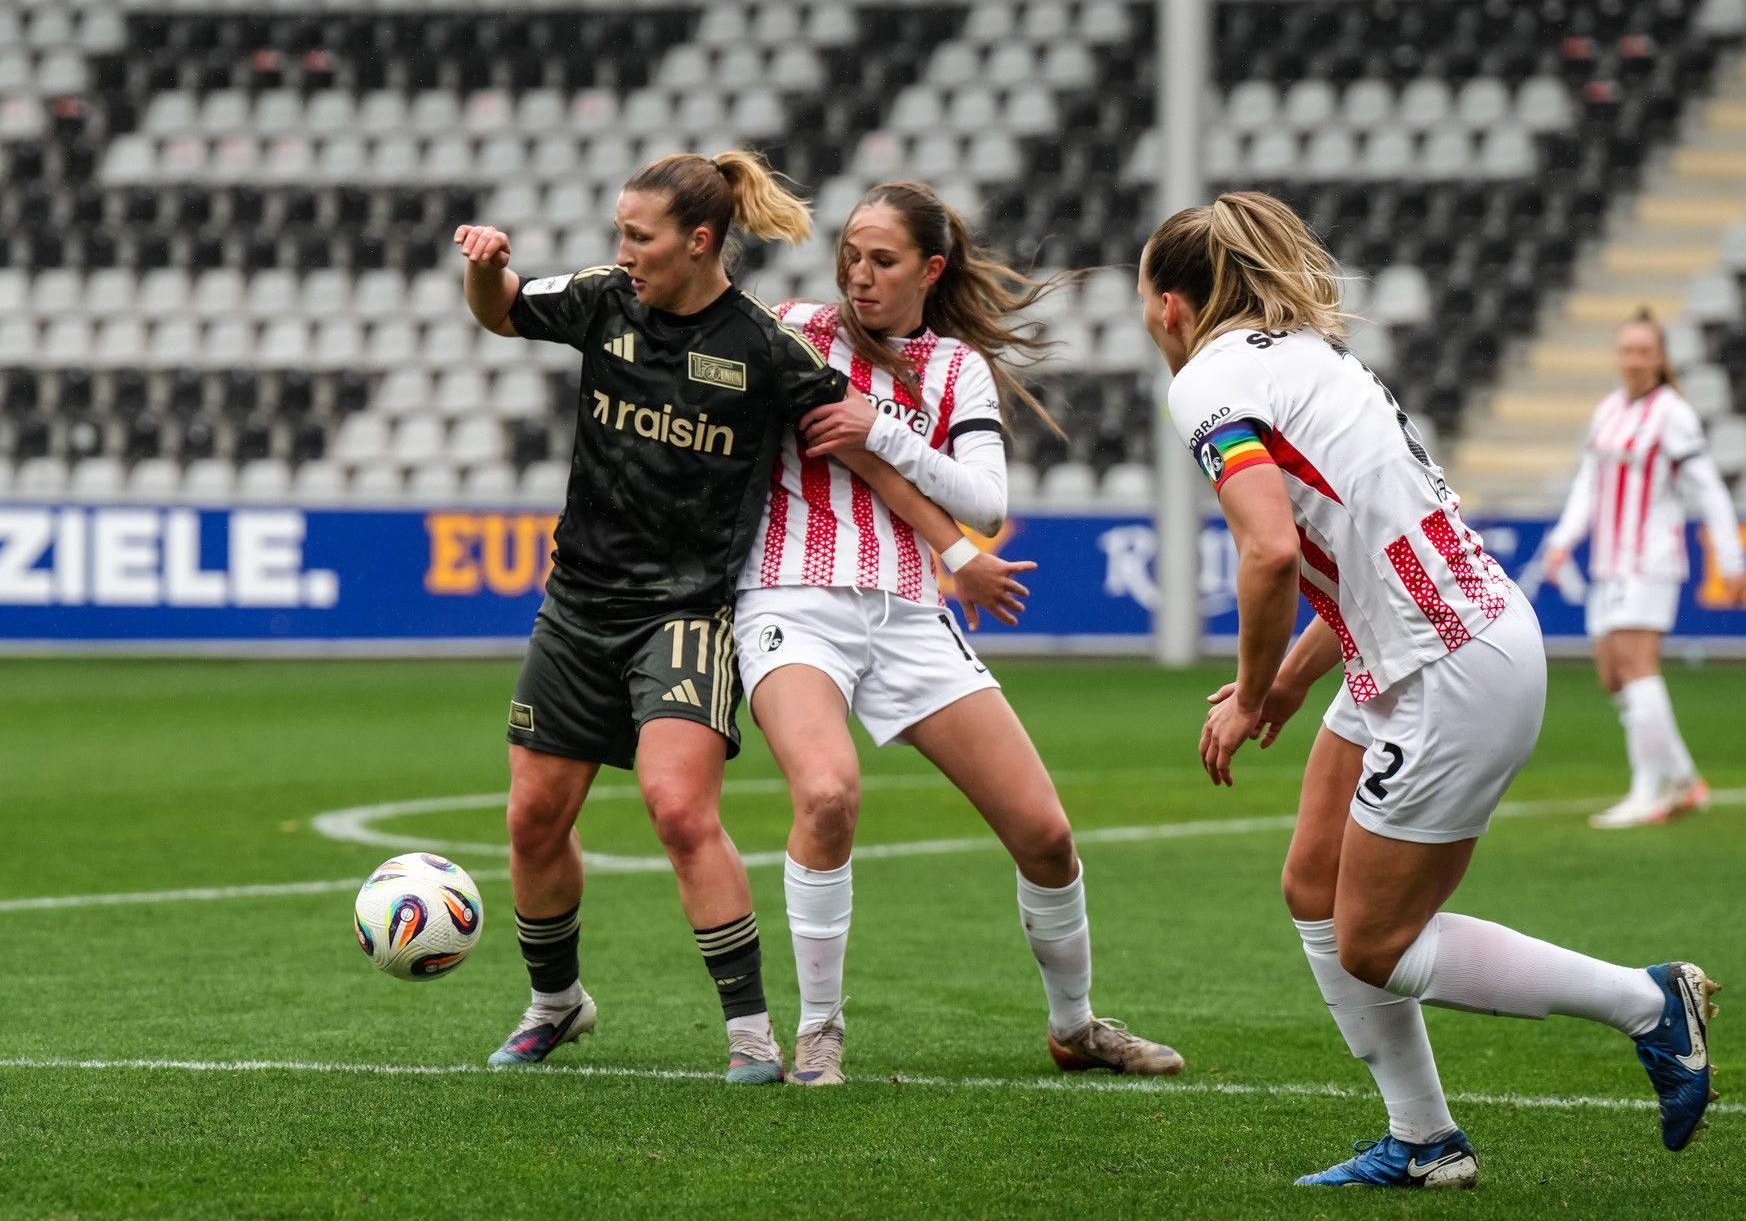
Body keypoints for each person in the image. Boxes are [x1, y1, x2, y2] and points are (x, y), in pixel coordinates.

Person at [1141, 191, 1718, 1188]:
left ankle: (1649, 1001)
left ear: (1166, 308)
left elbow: (1269, 551)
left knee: (1374, 943)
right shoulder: (1312, 359)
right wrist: (1283, 683)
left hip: (1446, 667)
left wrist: (1243, 693)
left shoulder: (1207, 381)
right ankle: (1424, 1139)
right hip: (1428, 643)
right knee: (1311, 885)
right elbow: (1360, 555)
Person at [453, 152, 1028, 1084]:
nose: (623, 249)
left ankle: (752, 1032)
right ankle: (556, 1003)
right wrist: (484, 264)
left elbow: (864, 456)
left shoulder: (765, 346)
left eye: (638, 235)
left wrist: (959, 553)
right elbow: (502, 305)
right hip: (577, 604)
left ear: (699, 240)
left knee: (678, 807)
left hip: (686, 610)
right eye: (620, 232)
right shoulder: (603, 299)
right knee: (531, 818)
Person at [732, 180, 1183, 1086]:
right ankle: (819, 1031)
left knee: (1046, 833)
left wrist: (885, 430)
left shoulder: (954, 368)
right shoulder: (797, 331)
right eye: (850, 256)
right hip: (787, 597)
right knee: (827, 795)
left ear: (930, 270)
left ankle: (1075, 1026)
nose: (859, 275)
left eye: (883, 260)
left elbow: (985, 500)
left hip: (907, 611)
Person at [1540, 308, 1745, 829]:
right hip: (1610, 562)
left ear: (1660, 359)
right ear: (1617, 357)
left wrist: (1732, 556)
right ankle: (1682, 780)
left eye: (1644, 352)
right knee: (1613, 676)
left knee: (1636, 666)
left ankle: (1647, 792)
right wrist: (1564, 540)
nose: (1634, 361)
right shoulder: (1608, 409)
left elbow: (1709, 489)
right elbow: (1589, 483)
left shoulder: (1672, 413)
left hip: (1650, 559)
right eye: (1627, 351)